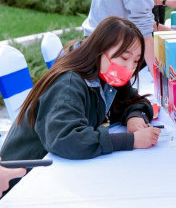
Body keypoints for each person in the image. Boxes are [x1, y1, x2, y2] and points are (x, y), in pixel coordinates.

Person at [0, 17, 161, 192]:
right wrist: (131, 140)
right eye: (124, 57)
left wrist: (134, 116)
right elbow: (67, 139)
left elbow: (135, 100)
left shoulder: (105, 74)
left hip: (57, 173)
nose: (130, 67)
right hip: (21, 183)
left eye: (137, 61)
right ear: (100, 50)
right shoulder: (68, 84)